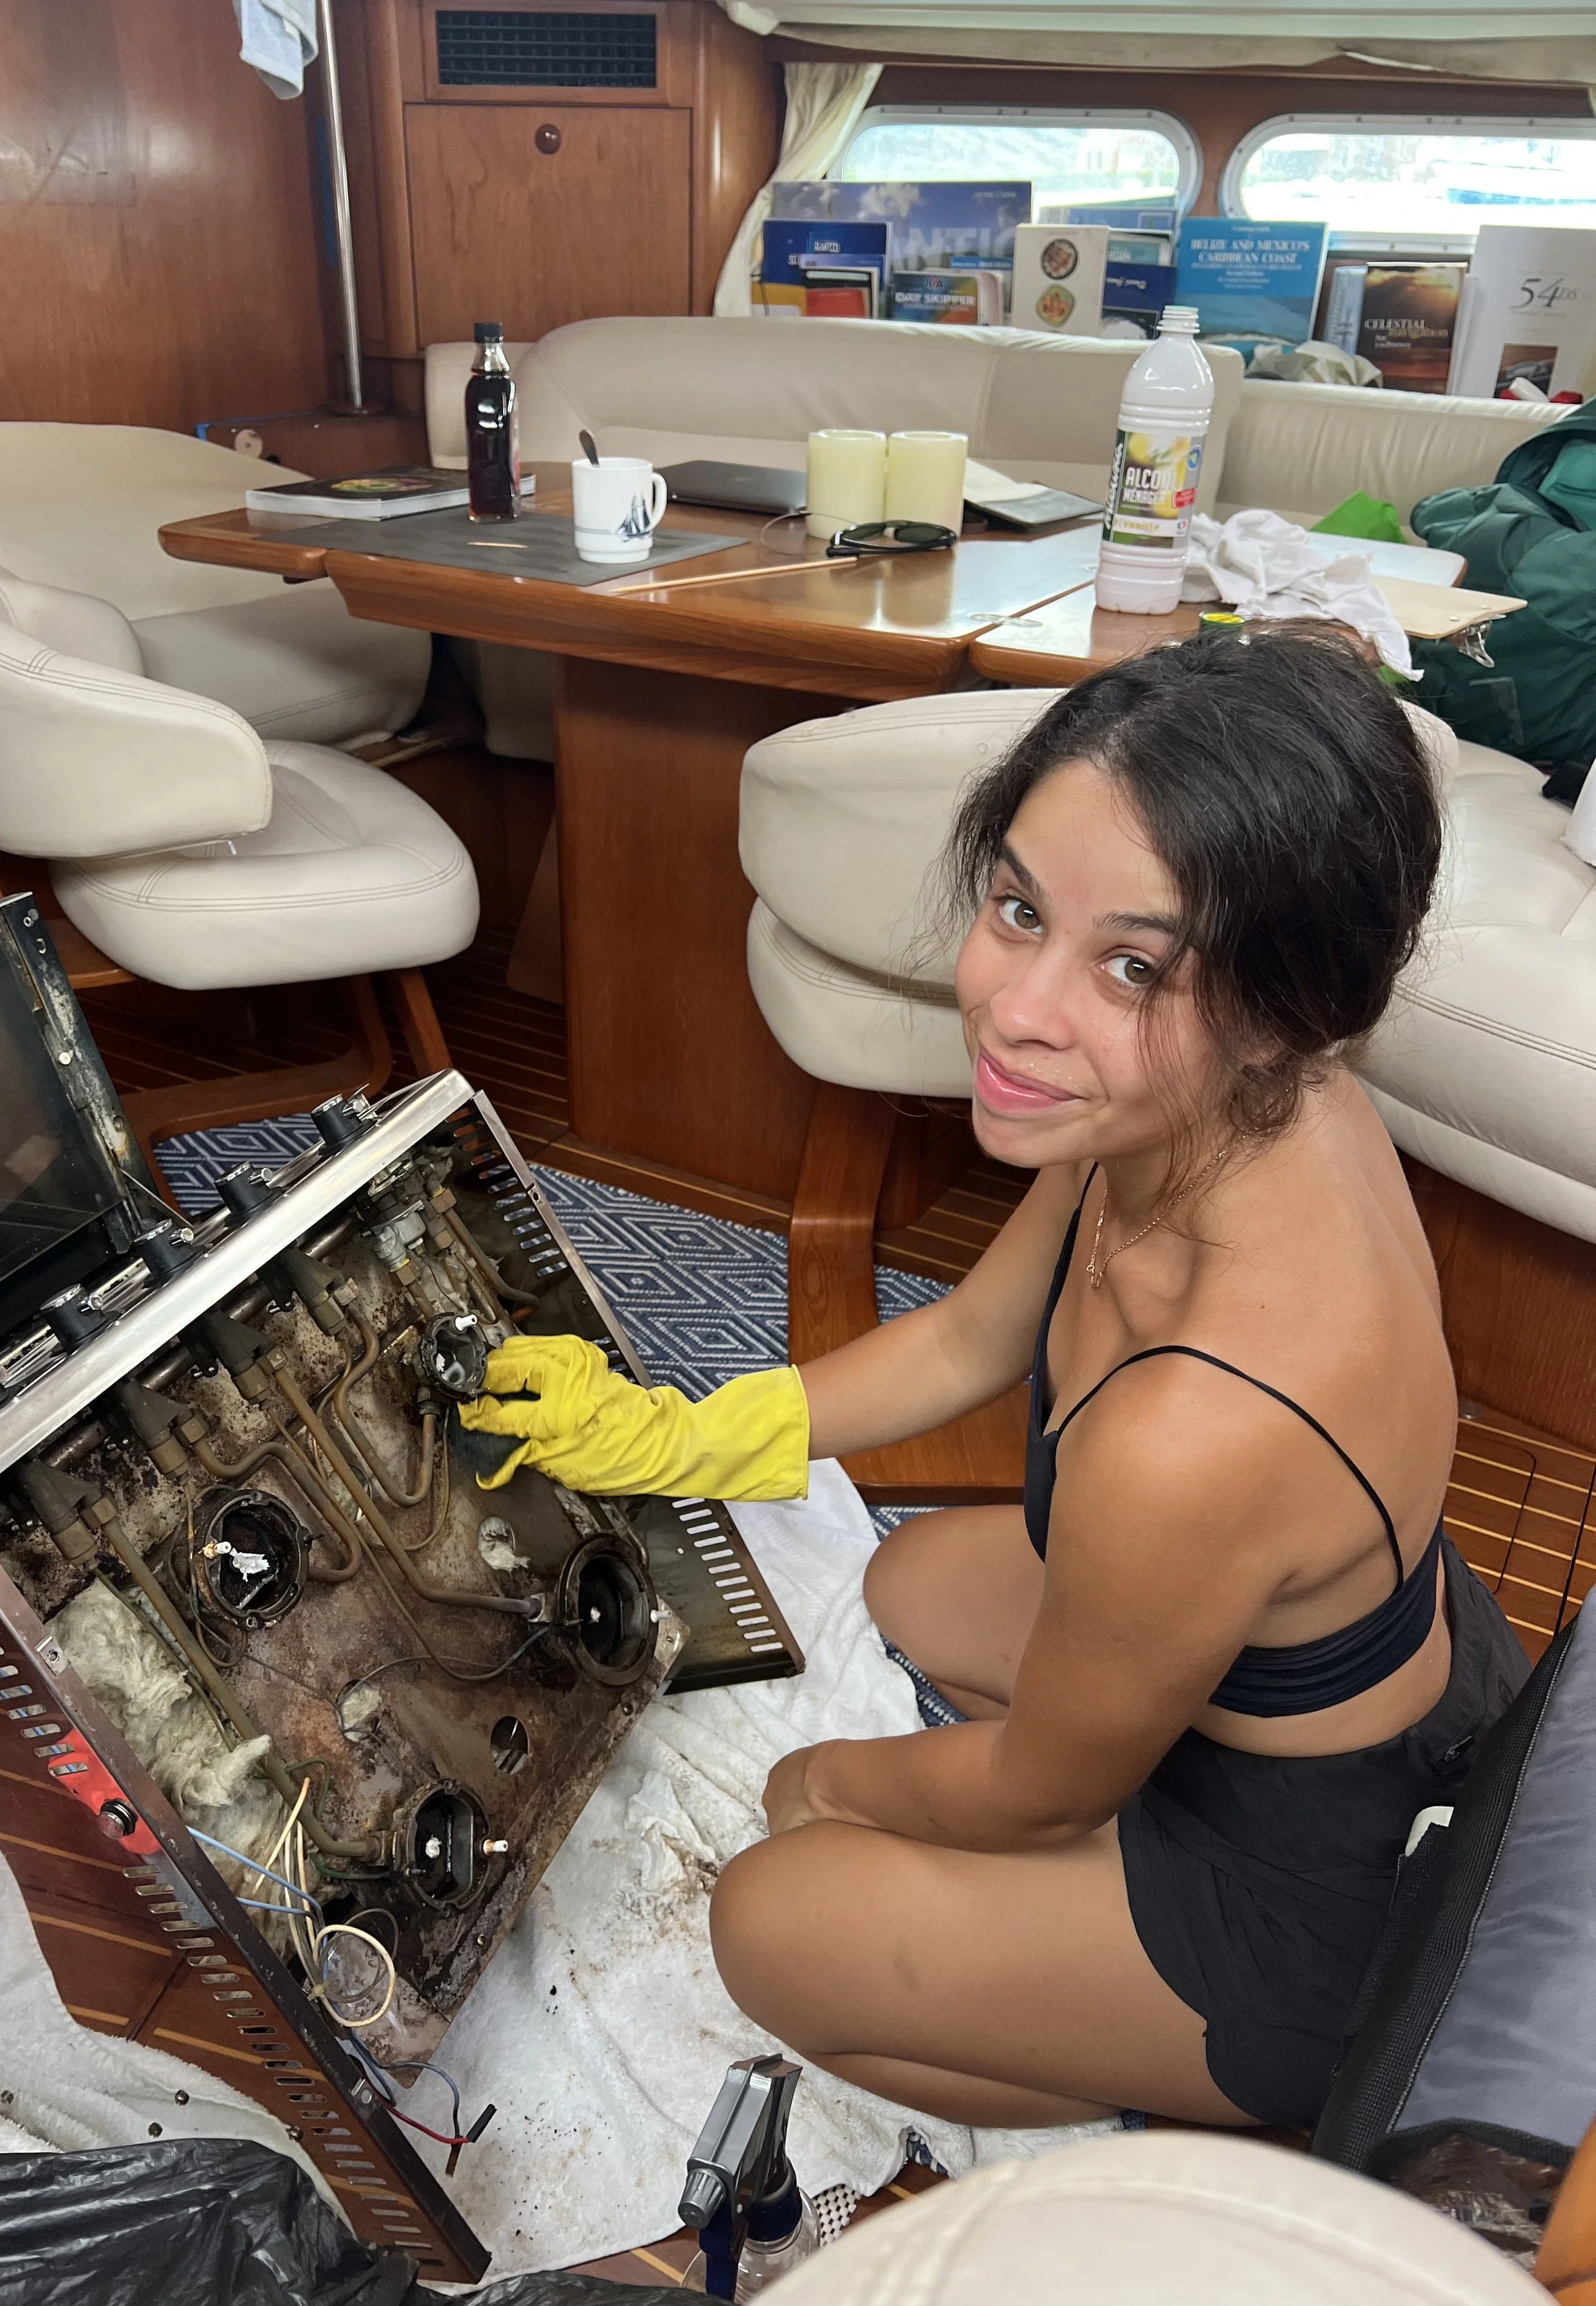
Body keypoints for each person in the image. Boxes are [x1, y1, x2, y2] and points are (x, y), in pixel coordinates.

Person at [458, 626, 1528, 2134]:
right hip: (1291, 1684)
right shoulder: (1200, 1104)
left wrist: (829, 1783)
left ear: (1285, 1003)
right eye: (1019, 905)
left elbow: (1039, 1793)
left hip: (1299, 1897)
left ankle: (1216, 2099)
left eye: (1133, 963)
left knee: (771, 1910)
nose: (1016, 1007)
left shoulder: (1198, 1421)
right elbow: (971, 1337)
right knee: (911, 1589)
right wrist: (681, 1433)